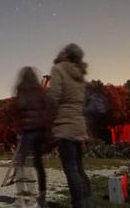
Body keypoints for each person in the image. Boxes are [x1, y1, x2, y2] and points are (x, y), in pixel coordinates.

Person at [47, 43, 92, 208]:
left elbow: (54, 97)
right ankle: (88, 203)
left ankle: (79, 205)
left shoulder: (58, 69)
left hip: (65, 126)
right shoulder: (79, 74)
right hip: (79, 126)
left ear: (66, 54)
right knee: (79, 169)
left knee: (71, 170)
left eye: (63, 50)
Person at [13, 67, 57, 207]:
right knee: (39, 164)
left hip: (28, 131)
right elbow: (50, 106)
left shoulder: (21, 89)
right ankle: (42, 195)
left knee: (20, 163)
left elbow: (18, 107)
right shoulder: (40, 91)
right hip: (40, 130)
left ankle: (22, 196)